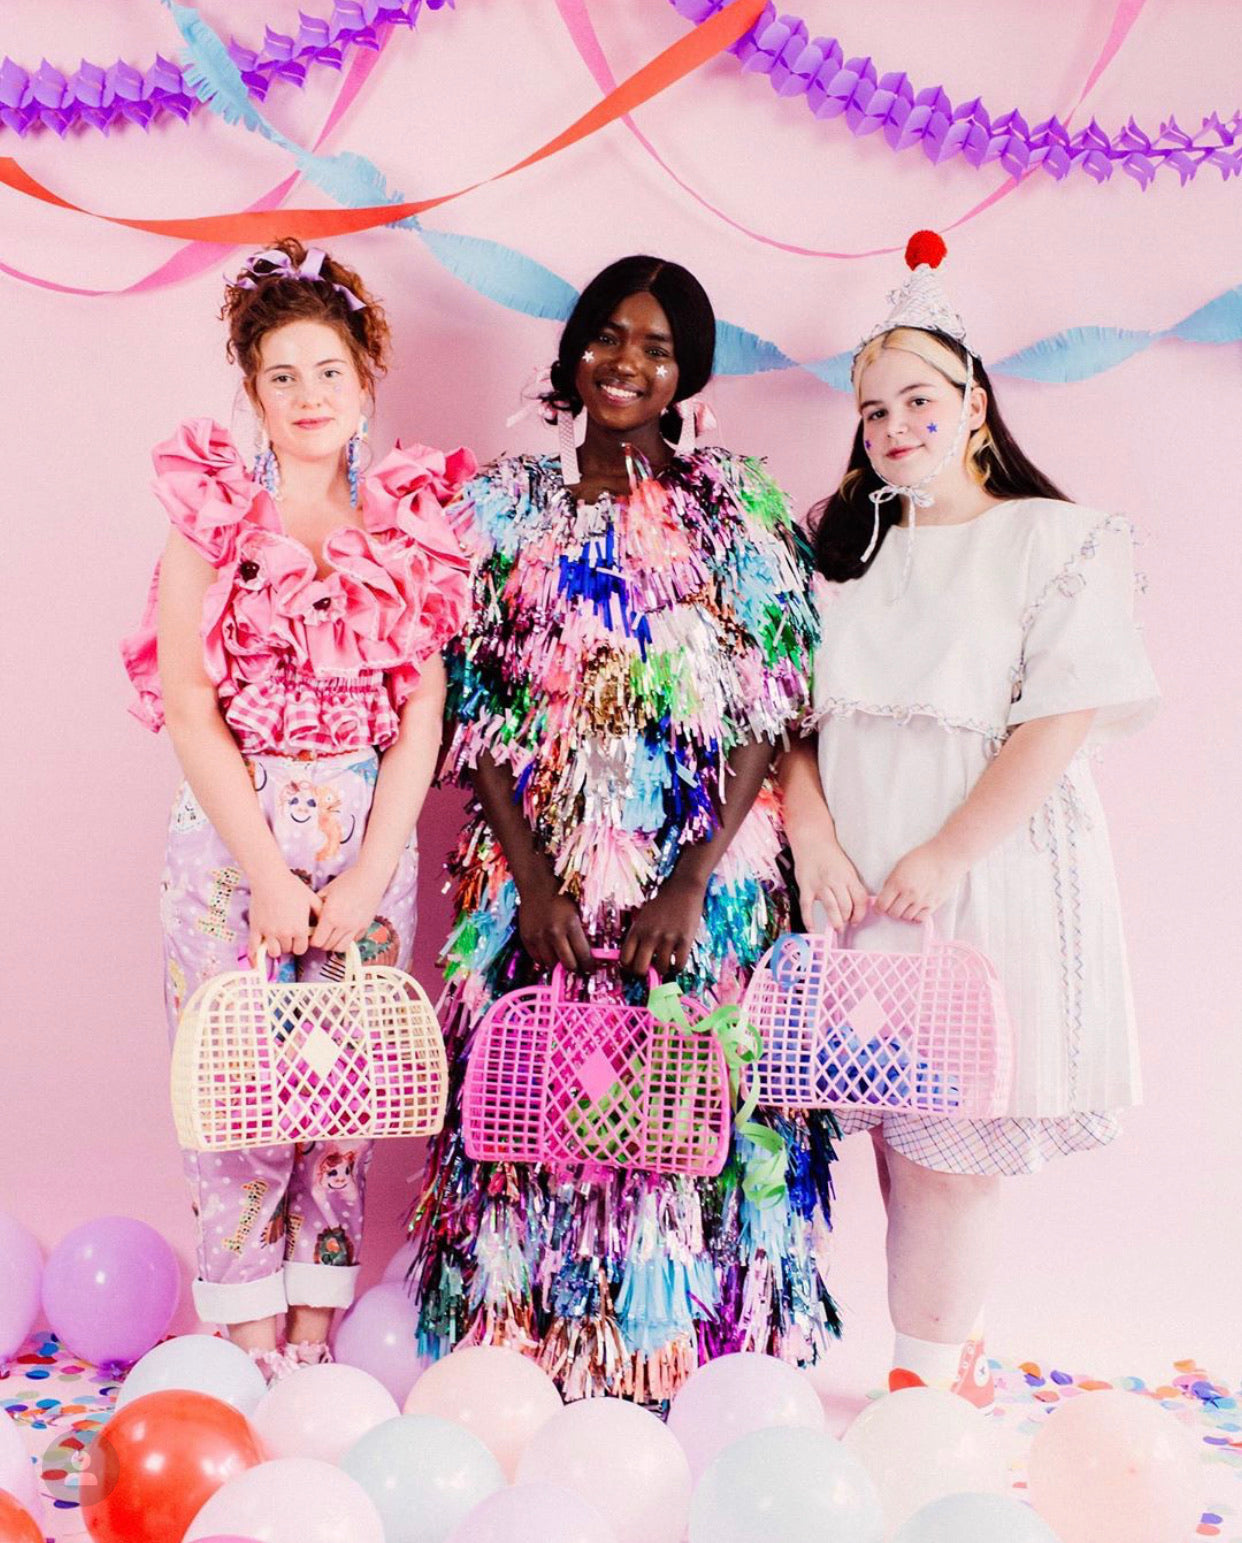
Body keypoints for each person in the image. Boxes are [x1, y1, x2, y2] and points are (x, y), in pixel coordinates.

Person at [408, 254, 839, 1403]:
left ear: (687, 373)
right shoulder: (505, 503)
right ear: (573, 348)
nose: (626, 363)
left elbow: (769, 704)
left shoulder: (733, 504)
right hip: (536, 865)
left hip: (705, 872)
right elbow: (474, 703)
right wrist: (532, 878)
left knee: (691, 1093)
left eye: (657, 347)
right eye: (608, 334)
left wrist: (691, 879)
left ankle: (683, 1364)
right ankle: (530, 1360)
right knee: (533, 1092)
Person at [779, 232, 1158, 1407]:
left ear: (975, 404)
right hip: (861, 877)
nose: (896, 426)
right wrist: (813, 836)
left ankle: (923, 1395)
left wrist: (948, 852)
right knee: (898, 1134)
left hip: (981, 869)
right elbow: (785, 720)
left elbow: (1059, 721)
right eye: (874, 409)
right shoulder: (840, 547)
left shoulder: (1055, 539)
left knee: (951, 1145)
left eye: (920, 400)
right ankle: (951, 1352)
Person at [121, 238, 474, 1379]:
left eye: (329, 371)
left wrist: (369, 871)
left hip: (366, 834)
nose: (309, 395)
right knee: (239, 1080)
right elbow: (189, 705)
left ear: (365, 380)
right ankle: (246, 1345)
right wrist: (268, 873)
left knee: (342, 1081)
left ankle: (316, 1342)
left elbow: (420, 715)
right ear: (253, 389)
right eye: (283, 376)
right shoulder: (213, 522)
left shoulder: (408, 524)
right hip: (235, 838)